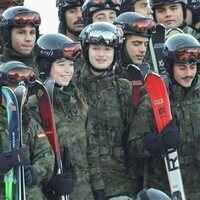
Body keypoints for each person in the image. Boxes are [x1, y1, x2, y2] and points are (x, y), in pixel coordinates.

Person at [128, 33, 200, 199]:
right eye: (182, 68)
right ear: (170, 67)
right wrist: (158, 142)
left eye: (193, 66)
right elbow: (133, 146)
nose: (189, 73)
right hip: (165, 188)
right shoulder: (154, 99)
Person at [33, 32, 100, 199]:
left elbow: (91, 150)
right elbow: (32, 158)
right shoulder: (33, 106)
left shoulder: (78, 101)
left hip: (85, 193)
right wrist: (49, 183)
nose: (67, 71)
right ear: (46, 66)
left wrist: (99, 189)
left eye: (71, 65)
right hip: (54, 194)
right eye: (61, 64)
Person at [77, 21, 139, 199]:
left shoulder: (124, 89)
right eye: (96, 48)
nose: (101, 54)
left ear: (115, 52)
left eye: (107, 49)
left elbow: (132, 140)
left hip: (119, 186)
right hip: (81, 187)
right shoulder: (72, 86)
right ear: (86, 50)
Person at [0, 60, 53, 199]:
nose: (20, 93)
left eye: (24, 90)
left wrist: (35, 172)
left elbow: (47, 155)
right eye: (14, 88)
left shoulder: (30, 122)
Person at [0, 6, 41, 77]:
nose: (28, 39)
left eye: (32, 33)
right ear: (7, 36)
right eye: (21, 32)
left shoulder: (44, 71)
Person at [114, 12, 155, 79]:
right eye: (136, 44)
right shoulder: (106, 75)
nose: (143, 50)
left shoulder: (152, 77)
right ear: (121, 44)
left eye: (146, 44)